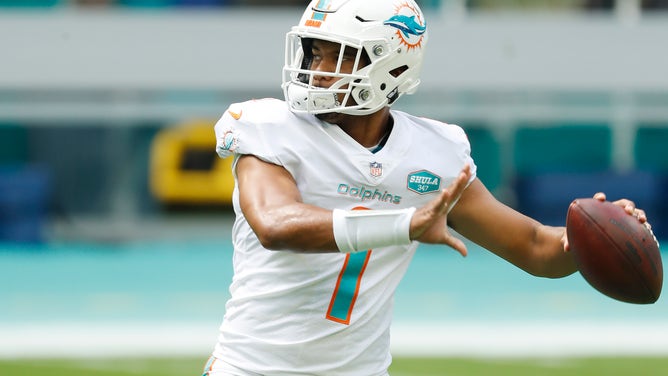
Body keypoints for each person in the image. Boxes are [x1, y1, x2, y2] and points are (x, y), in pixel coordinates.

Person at [203, 0, 653, 374]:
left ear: (390, 63)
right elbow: (275, 224)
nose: (319, 70)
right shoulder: (270, 128)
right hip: (250, 367)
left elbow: (535, 246)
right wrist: (406, 223)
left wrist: (592, 235)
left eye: (338, 55)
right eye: (315, 53)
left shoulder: (433, 153)